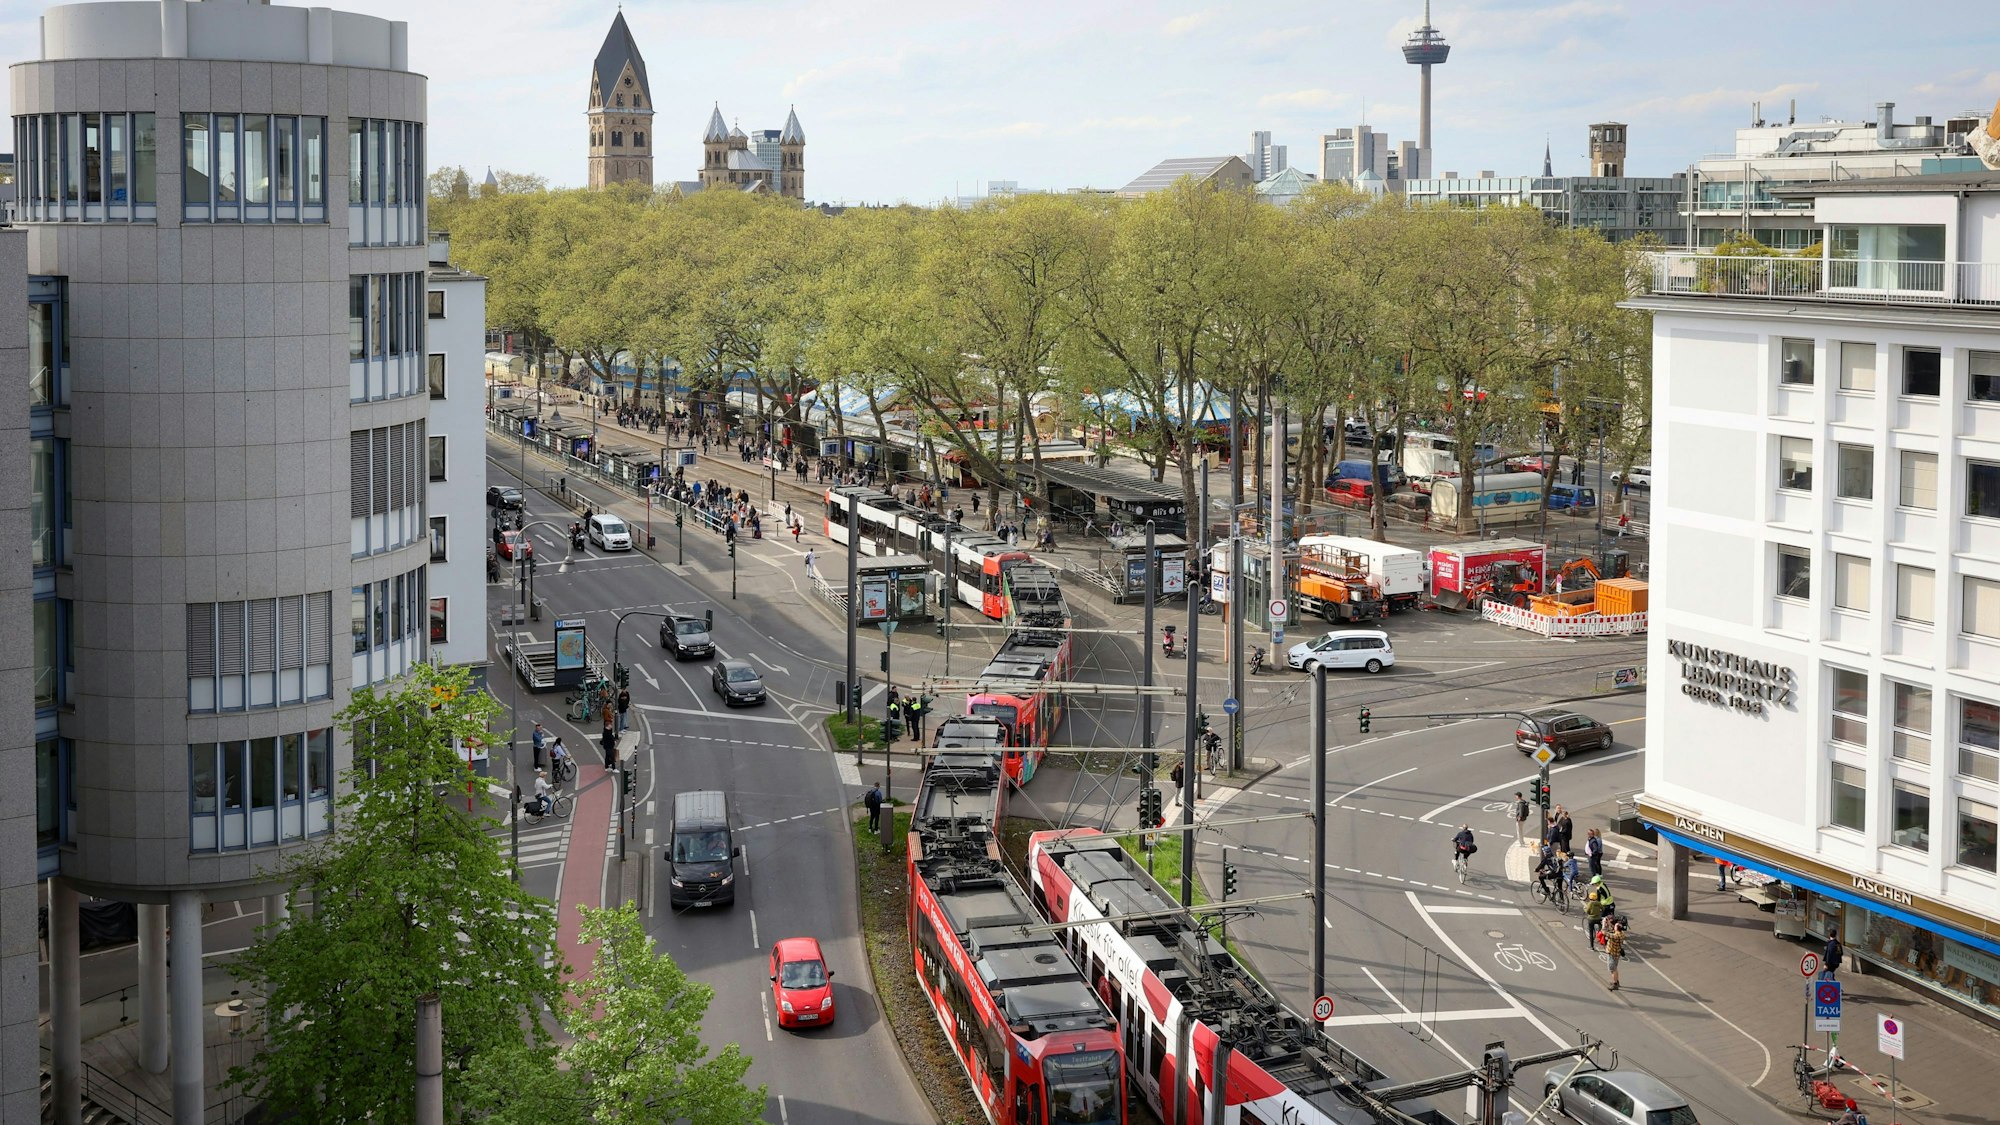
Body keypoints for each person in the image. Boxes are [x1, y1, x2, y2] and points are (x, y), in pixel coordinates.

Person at [1584, 876, 1615, 948]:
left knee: (1602, 919)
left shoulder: (1599, 889)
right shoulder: (1603, 884)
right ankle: (1614, 929)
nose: (1594, 885)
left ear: (1597, 883)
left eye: (1594, 884)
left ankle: (1602, 935)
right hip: (1611, 903)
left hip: (1605, 904)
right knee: (1612, 919)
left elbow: (1598, 900)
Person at [1602, 918, 1625, 991]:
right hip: (1617, 954)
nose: (1613, 926)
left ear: (1617, 929)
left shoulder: (1615, 936)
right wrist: (1609, 923)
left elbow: (1604, 932)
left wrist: (1603, 925)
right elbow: (1614, 929)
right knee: (1615, 968)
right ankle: (1617, 982)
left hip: (1612, 954)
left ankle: (1615, 984)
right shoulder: (1622, 934)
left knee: (1612, 969)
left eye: (1615, 926)